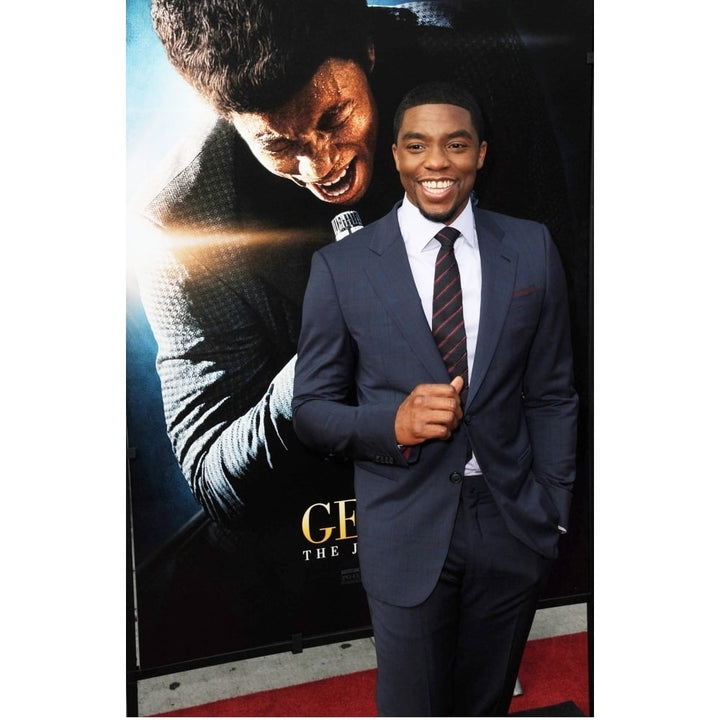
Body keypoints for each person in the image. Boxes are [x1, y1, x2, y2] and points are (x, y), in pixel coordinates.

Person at [133, 0, 576, 525]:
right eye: (278, 143)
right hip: (327, 534)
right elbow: (214, 481)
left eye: (334, 116)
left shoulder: (472, 62)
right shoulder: (185, 224)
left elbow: (567, 302)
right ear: (228, 119)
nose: (320, 165)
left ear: (366, 48)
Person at [292, 82, 578, 716]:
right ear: (394, 155)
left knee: (485, 700)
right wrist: (391, 422)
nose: (437, 162)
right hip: (405, 524)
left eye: (456, 144)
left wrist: (551, 507)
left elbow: (554, 391)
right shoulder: (342, 268)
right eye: (418, 145)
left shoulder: (530, 247)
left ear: (481, 153)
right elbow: (310, 409)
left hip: (512, 520)